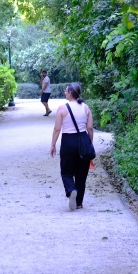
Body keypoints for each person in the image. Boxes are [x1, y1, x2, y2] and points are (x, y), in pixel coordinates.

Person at [50, 83, 93, 211]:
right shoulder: (85, 107)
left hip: (68, 141)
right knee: (82, 174)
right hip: (83, 139)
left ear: (70, 92)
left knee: (66, 171)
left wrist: (53, 144)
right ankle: (79, 203)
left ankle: (71, 189)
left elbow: (57, 128)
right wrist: (89, 143)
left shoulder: (62, 109)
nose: (64, 92)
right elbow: (89, 128)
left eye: (65, 90)